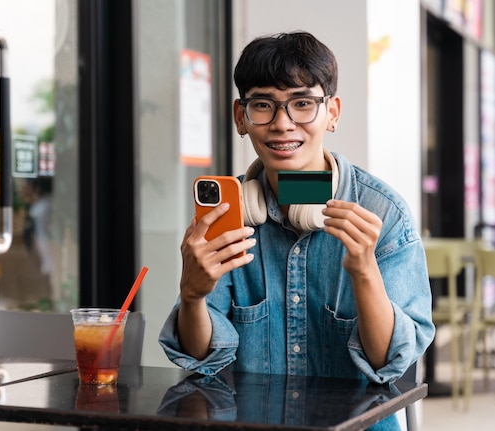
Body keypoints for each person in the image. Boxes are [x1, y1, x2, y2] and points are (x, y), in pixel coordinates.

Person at [159, 31, 434, 430]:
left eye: (303, 104)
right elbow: (205, 359)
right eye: (263, 105)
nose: (282, 124)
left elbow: (389, 363)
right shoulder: (228, 215)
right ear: (241, 117)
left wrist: (363, 270)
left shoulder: (382, 213)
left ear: (333, 112)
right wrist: (192, 295)